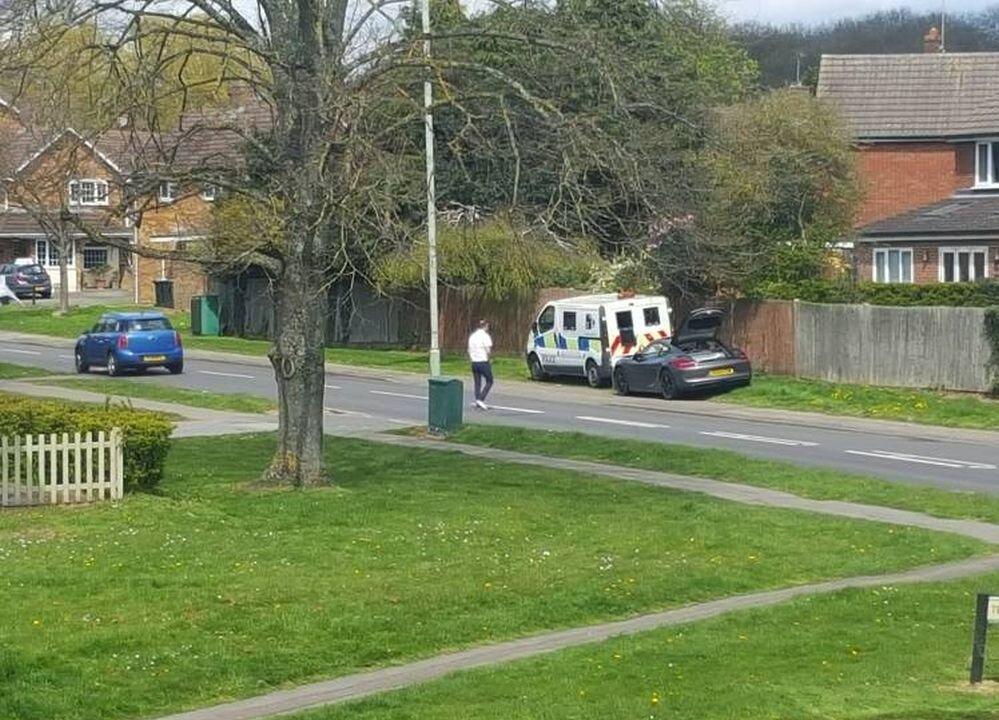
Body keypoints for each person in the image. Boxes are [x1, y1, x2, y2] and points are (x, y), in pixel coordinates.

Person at [468, 319, 494, 410]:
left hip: (474, 362)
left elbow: (469, 349)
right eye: (487, 326)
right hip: (483, 361)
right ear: (485, 326)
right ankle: (480, 399)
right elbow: (488, 350)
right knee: (490, 380)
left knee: (477, 382)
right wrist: (490, 359)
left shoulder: (472, 336)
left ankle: (477, 399)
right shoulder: (485, 336)